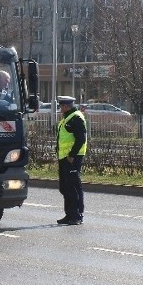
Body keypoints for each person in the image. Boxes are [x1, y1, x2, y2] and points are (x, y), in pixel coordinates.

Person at [56, 95, 87, 225]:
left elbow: (81, 139)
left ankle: (77, 215)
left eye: (61, 106)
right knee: (65, 187)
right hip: (64, 157)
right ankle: (69, 214)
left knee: (73, 187)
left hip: (72, 158)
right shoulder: (67, 118)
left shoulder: (76, 118)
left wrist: (72, 155)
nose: (60, 108)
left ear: (66, 106)